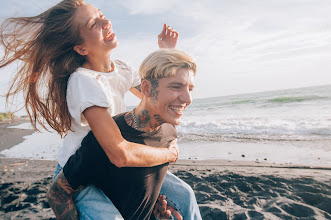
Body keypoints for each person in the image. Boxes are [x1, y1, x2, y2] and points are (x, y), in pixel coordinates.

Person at [0, 0, 201, 219]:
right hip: (83, 172)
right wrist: (168, 154)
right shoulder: (83, 81)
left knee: (185, 195)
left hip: (114, 165)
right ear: (81, 48)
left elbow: (152, 93)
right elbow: (119, 152)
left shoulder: (121, 69)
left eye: (102, 14)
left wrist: (166, 53)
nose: (106, 21)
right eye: (94, 23)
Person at [47, 48, 198, 220]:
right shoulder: (105, 142)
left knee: (186, 195)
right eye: (176, 87)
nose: (188, 99)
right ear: (146, 88)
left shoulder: (168, 130)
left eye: (190, 89)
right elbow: (56, 194)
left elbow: (137, 194)